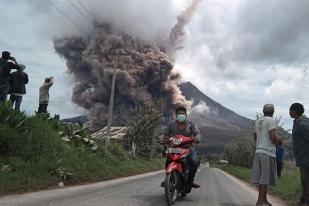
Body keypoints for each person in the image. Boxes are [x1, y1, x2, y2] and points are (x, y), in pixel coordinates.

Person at [159, 106, 201, 188]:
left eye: (183, 114)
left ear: (186, 115)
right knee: (169, 158)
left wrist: (196, 138)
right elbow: (164, 133)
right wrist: (161, 138)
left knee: (194, 161)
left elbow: (197, 133)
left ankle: (190, 181)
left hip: (187, 147)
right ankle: (168, 178)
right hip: (174, 147)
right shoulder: (171, 124)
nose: (181, 115)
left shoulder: (191, 124)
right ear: (176, 115)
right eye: (179, 114)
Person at [251, 104, 282, 206]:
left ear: (263, 111)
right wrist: (278, 145)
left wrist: (259, 145)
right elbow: (272, 136)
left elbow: (255, 136)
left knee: (262, 177)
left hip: (258, 151)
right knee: (264, 178)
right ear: (273, 111)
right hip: (267, 151)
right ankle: (260, 200)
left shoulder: (258, 121)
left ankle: (264, 199)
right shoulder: (271, 120)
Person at [290, 103, 309, 206]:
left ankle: (306, 201)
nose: (289, 112)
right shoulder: (298, 122)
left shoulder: (302, 124)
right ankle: (304, 200)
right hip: (303, 157)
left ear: (294, 111)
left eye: (290, 110)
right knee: (304, 180)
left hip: (307, 157)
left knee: (306, 180)